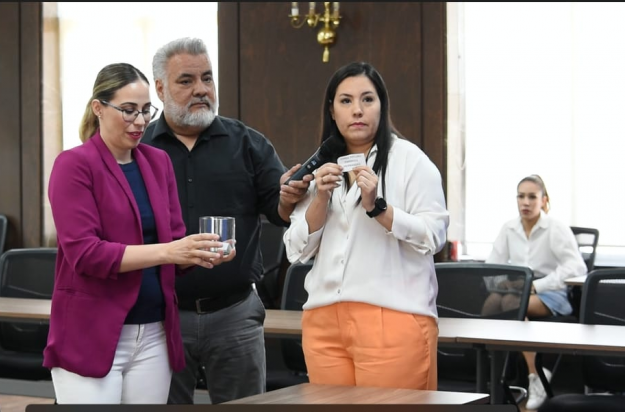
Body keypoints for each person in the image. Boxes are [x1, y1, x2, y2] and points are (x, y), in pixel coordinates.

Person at [43, 62, 235, 405]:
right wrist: (169, 251)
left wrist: (198, 253)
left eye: (147, 110)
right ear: (98, 108)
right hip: (92, 331)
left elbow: (174, 246)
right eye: (128, 110)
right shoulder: (73, 165)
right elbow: (86, 255)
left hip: (154, 331)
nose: (140, 121)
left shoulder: (157, 162)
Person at [141, 37, 311, 404]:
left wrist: (287, 198)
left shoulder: (248, 143)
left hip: (234, 314)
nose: (201, 89)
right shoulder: (140, 149)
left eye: (207, 78)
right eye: (186, 80)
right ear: (160, 89)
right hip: (161, 316)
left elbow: (279, 211)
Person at [282, 61, 450, 389]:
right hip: (323, 320)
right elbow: (295, 250)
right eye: (345, 101)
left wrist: (378, 208)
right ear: (332, 111)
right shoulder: (320, 167)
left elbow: (433, 236)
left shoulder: (410, 160)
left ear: (382, 106)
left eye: (367, 99)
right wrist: (320, 198)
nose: (357, 110)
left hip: (393, 317)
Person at [484, 174, 587, 410]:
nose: (526, 202)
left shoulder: (555, 228)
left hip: (551, 292)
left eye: (532, 197)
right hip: (518, 289)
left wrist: (536, 286)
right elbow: (493, 265)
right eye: (521, 196)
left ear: (544, 200)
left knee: (511, 304)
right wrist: (503, 282)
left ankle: (536, 375)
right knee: (491, 303)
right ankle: (495, 378)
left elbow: (576, 267)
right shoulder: (509, 228)